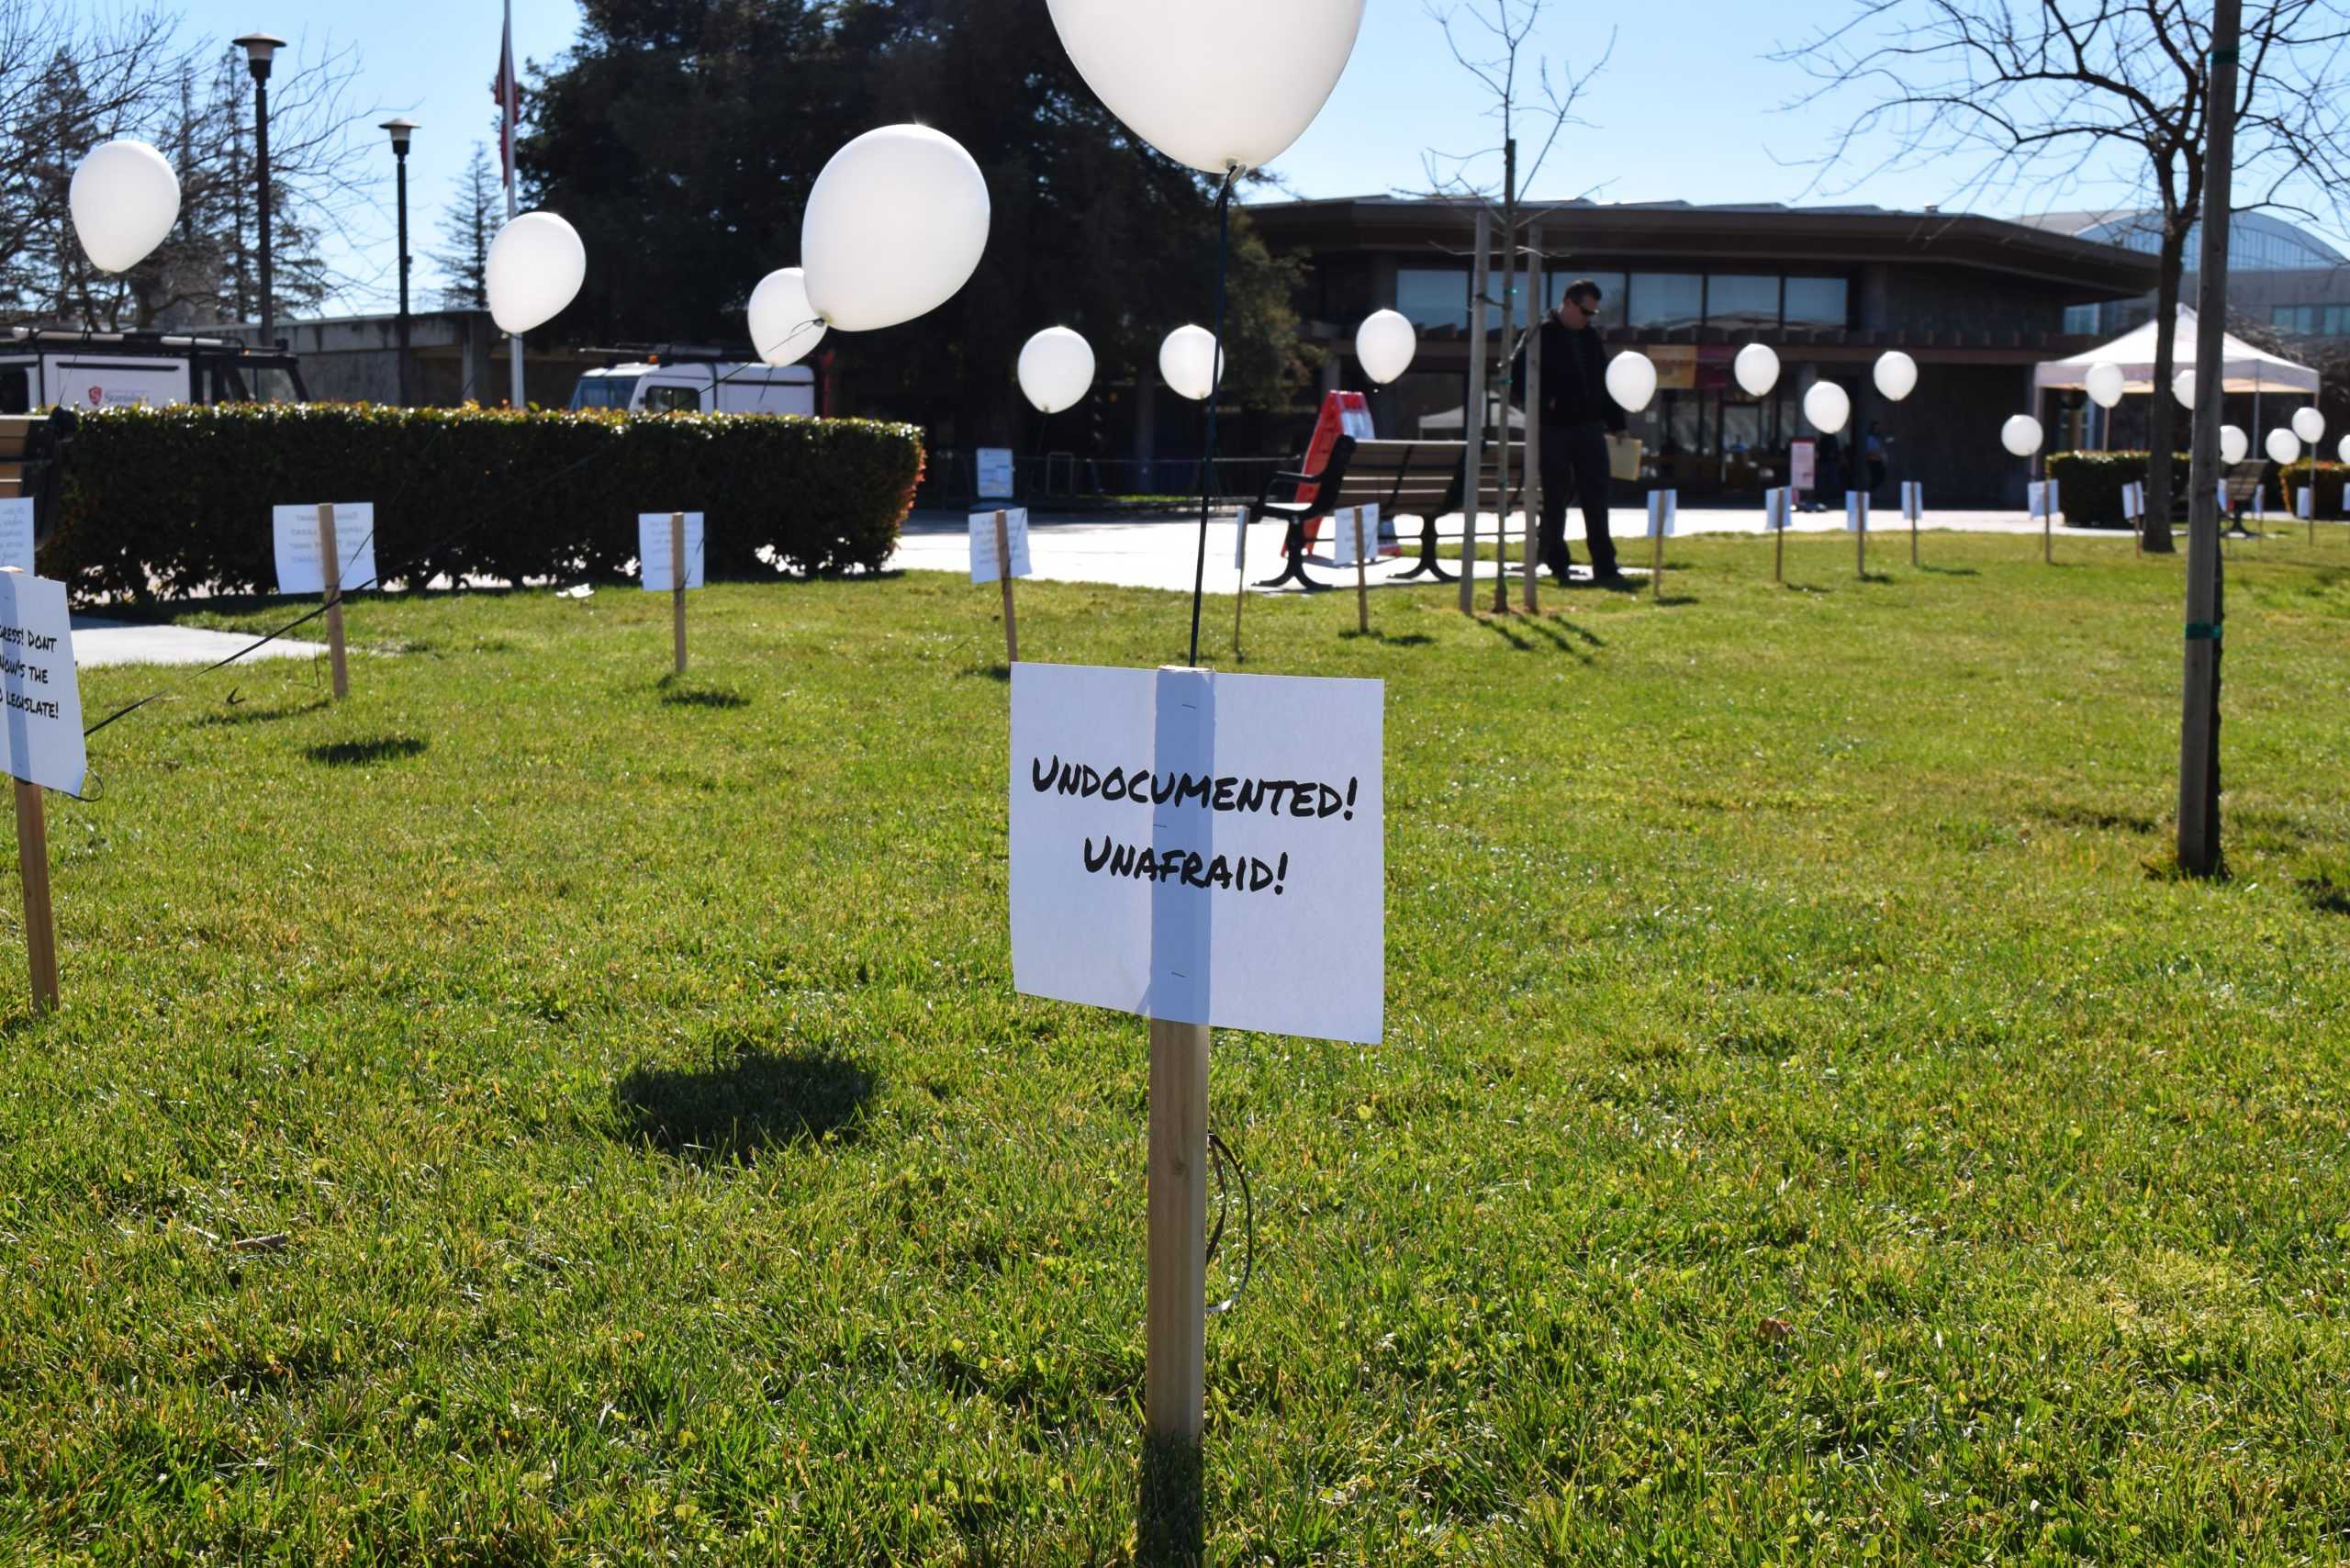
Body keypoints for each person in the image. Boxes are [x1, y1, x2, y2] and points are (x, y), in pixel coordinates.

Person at [1512, 278, 1627, 586]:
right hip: (1553, 429)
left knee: (1596, 496)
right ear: (1568, 303)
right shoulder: (1539, 333)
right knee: (1555, 499)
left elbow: (1604, 383)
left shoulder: (1590, 337)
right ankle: (1557, 562)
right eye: (1586, 311)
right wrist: (1546, 403)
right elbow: (1518, 379)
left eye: (1593, 313)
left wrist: (1617, 424)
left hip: (1589, 428)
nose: (1589, 319)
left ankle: (1605, 564)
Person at [1864, 422, 1888, 496]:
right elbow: (1870, 450)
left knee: (1881, 477)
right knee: (1875, 478)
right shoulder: (1870, 438)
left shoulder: (1879, 438)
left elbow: (1881, 448)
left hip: (1879, 460)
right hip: (1873, 460)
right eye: (1876, 428)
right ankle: (1868, 493)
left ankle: (1870, 492)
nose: (1877, 429)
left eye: (1878, 428)